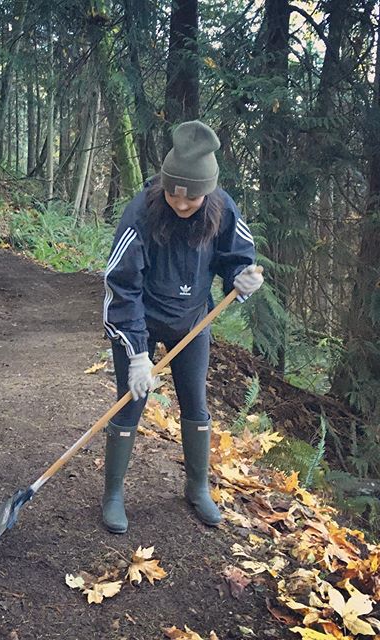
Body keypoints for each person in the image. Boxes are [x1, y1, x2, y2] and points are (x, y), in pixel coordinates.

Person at [102, 120, 263, 533]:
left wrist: (243, 277)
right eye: (174, 191)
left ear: (207, 191)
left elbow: (237, 258)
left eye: (192, 195)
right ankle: (114, 494)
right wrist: (137, 354)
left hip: (193, 322)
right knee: (130, 401)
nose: (181, 201)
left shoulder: (222, 209)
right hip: (141, 321)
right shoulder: (141, 213)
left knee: (196, 403)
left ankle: (197, 488)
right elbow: (122, 286)